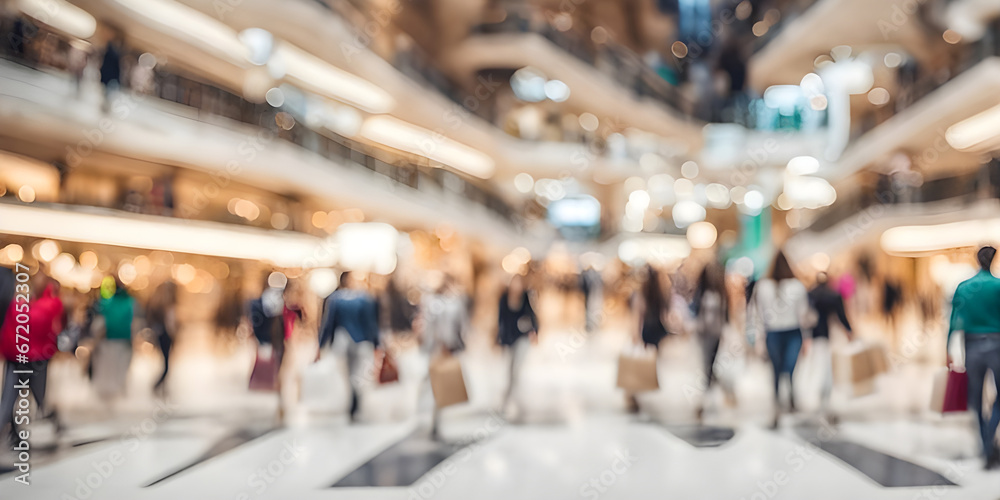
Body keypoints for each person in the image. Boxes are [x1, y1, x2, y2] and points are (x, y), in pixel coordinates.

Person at [947, 246, 1000, 469]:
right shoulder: (998, 286)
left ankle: (985, 444)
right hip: (997, 344)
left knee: (976, 399)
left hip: (973, 346)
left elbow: (953, 320)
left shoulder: (964, 287)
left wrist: (947, 349)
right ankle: (990, 438)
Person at [748, 250, 811, 428]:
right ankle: (785, 400)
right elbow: (804, 315)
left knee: (778, 368)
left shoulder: (763, 286)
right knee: (787, 367)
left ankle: (782, 400)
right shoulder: (795, 286)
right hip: (790, 331)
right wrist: (806, 338)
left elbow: (757, 315)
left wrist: (759, 338)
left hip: (775, 332)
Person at [0, 273, 63, 444]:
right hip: (22, 357)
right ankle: (12, 429)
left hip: (31, 359)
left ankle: (46, 426)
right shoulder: (24, 305)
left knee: (35, 398)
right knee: (12, 399)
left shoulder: (47, 305)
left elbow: (38, 322)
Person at [319, 271, 380, 422]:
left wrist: (321, 344)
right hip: (361, 342)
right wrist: (377, 343)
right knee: (358, 374)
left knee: (347, 374)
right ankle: (356, 401)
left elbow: (329, 324)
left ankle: (351, 401)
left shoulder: (335, 299)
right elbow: (371, 323)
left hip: (343, 342)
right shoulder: (364, 298)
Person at [419, 273, 470, 438]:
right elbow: (429, 327)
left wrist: (456, 344)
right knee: (431, 380)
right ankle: (426, 413)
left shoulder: (456, 303)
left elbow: (461, 326)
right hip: (435, 348)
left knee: (441, 381)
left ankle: (435, 418)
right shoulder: (432, 302)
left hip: (449, 347)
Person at [808, 272, 854, 418]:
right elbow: (841, 316)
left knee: (818, 366)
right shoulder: (833, 295)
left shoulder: (810, 295)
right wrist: (849, 331)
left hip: (815, 336)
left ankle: (821, 396)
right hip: (829, 336)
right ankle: (824, 395)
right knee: (827, 368)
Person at [693, 261, 729, 421]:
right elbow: (695, 311)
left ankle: (708, 392)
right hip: (704, 333)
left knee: (711, 363)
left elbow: (725, 315)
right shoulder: (702, 293)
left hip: (715, 333)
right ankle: (707, 393)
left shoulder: (721, 293)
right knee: (706, 363)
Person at [497, 273, 538, 413]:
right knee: (510, 370)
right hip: (509, 339)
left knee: (516, 370)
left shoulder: (526, 297)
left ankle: (510, 400)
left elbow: (533, 315)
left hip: (523, 337)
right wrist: (499, 339)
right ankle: (512, 399)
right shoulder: (504, 298)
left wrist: (535, 332)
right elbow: (501, 320)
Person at [93, 277, 136, 401]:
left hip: (109, 338)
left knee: (107, 366)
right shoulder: (130, 302)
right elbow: (133, 321)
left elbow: (100, 322)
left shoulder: (106, 303)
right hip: (124, 338)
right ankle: (119, 388)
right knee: (121, 365)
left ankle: (108, 391)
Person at [146, 280, 177, 397]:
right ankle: (157, 386)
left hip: (161, 335)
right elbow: (170, 323)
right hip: (165, 335)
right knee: (166, 364)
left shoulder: (156, 303)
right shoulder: (164, 304)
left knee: (165, 363)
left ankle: (163, 387)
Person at [634, 266, 670, 350]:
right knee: (655, 352)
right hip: (658, 328)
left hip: (647, 329)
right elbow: (665, 312)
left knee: (647, 354)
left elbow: (639, 314)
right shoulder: (660, 294)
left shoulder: (642, 294)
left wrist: (635, 333)